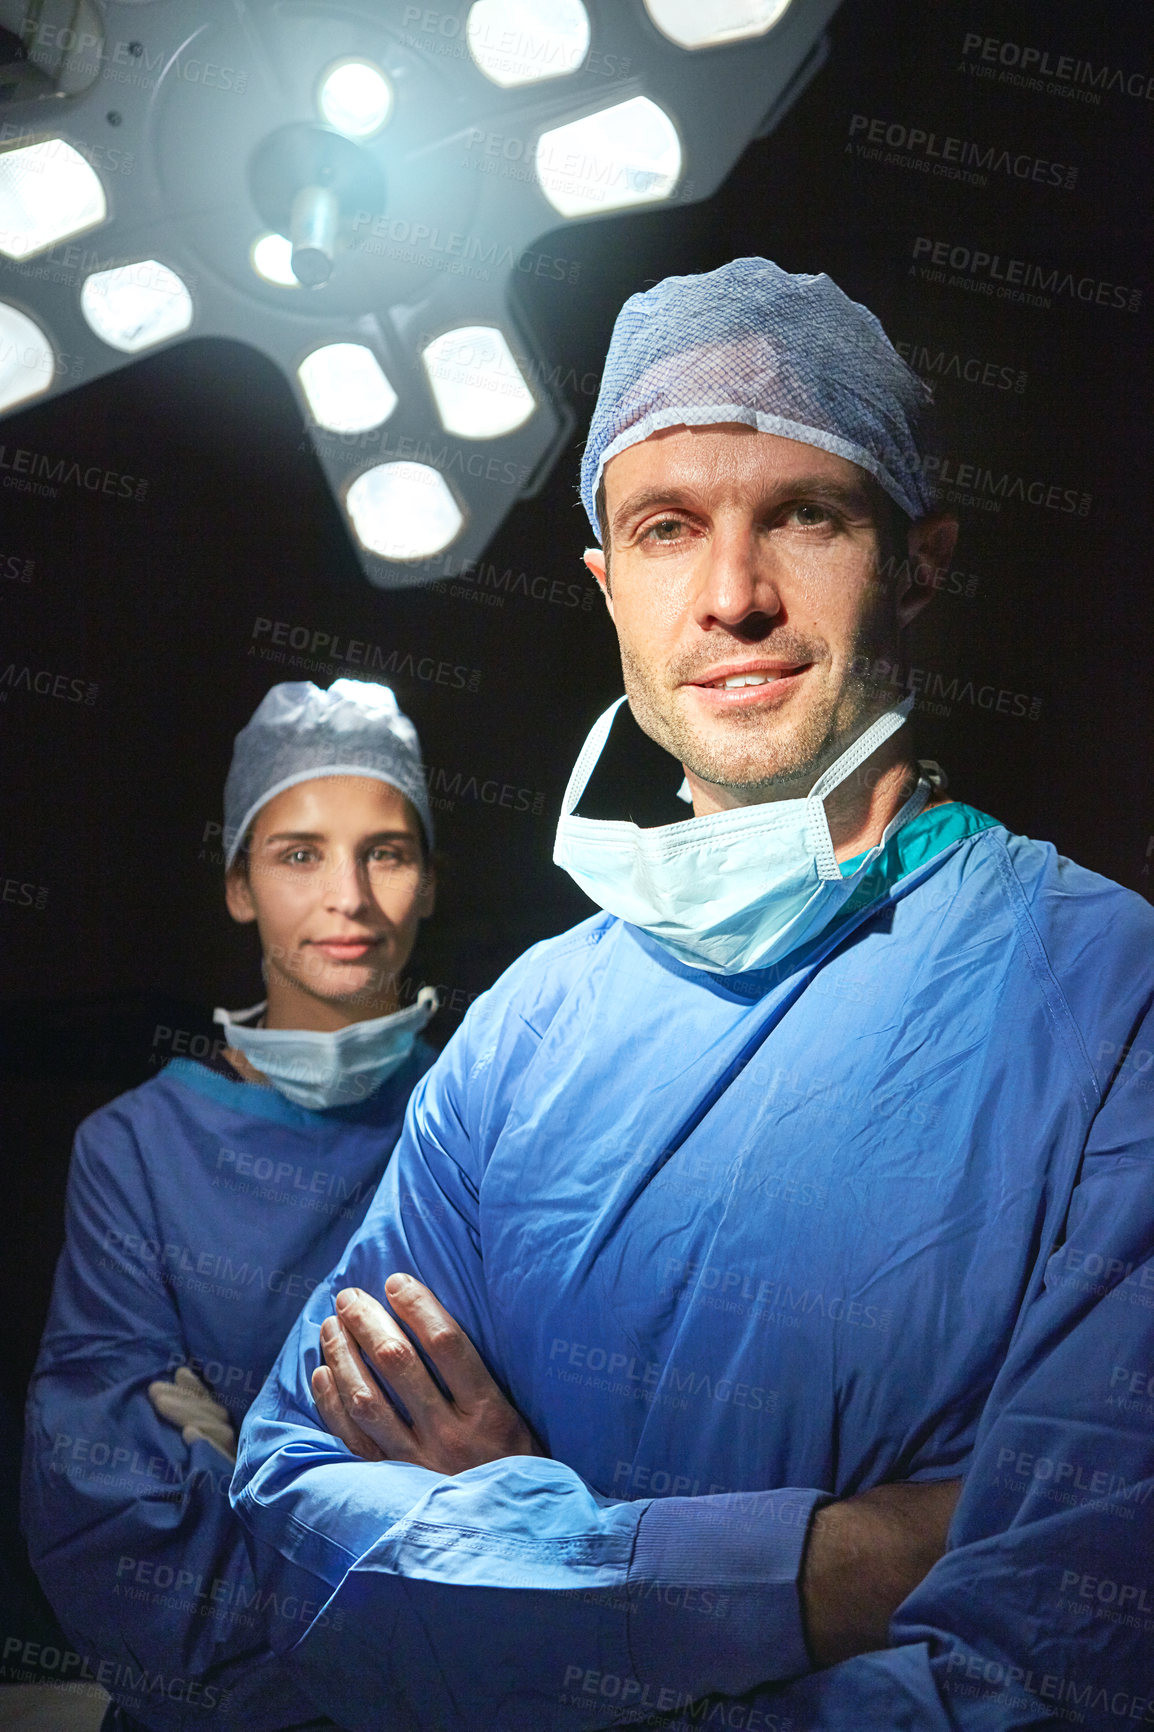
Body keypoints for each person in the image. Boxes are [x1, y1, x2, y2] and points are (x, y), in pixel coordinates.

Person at [232, 260, 1154, 1731]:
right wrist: (844, 1561)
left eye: (802, 515)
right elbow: (292, 1523)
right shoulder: (525, 1031)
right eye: (668, 529)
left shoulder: (1106, 1000)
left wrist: (514, 1550)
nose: (731, 598)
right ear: (606, 580)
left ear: (916, 558)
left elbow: (1068, 1654)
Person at [22, 679, 440, 1732]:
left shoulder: (487, 1118)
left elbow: (551, 1481)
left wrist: (247, 1456)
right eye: (298, 852)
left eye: (384, 850)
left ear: (428, 882)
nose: (346, 893)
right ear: (239, 886)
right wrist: (398, 1494)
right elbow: (117, 1533)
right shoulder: (134, 1153)